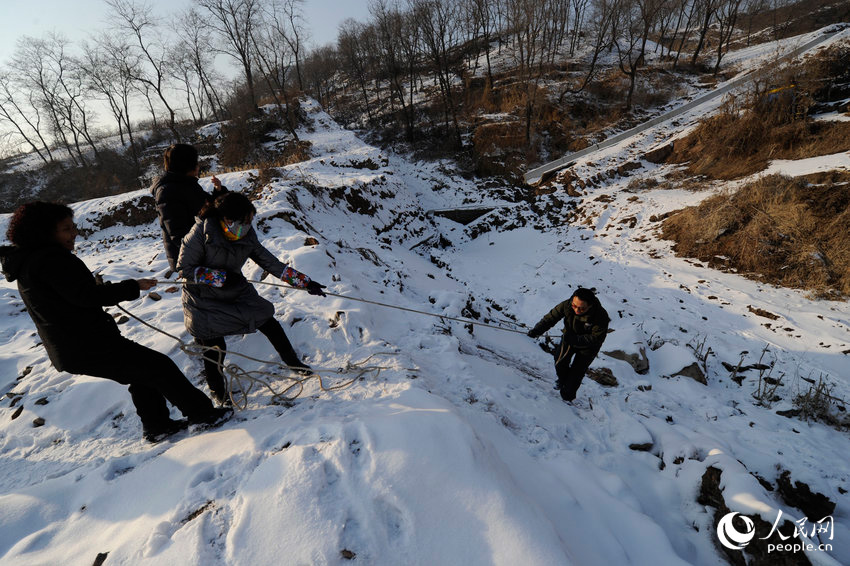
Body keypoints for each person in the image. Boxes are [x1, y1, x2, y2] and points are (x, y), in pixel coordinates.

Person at [0, 202, 231, 442]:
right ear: (45, 233)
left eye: (73, 227)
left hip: (76, 345)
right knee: (159, 367)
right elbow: (85, 296)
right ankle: (203, 415)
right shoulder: (51, 260)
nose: (74, 233)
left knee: (143, 372)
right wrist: (131, 287)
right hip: (87, 344)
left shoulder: (31, 262)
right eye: (66, 229)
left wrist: (111, 288)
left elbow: (71, 294)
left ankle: (157, 426)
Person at [177, 192, 327, 405]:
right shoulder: (200, 233)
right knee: (215, 346)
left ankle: (294, 364)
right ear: (227, 219)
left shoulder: (246, 235)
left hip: (235, 290)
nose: (247, 226)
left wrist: (305, 282)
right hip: (202, 299)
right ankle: (218, 393)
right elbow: (184, 269)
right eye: (244, 221)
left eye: (250, 221)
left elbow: (271, 263)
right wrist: (218, 277)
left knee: (268, 320)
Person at [151, 143, 228, 271]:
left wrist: (219, 191)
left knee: (225, 286)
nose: (198, 166)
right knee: (217, 286)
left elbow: (209, 207)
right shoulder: (167, 192)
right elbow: (178, 233)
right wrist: (204, 252)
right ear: (186, 165)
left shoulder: (187, 184)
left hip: (204, 253)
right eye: (195, 162)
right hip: (191, 262)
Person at [527, 288, 610, 403]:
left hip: (589, 346)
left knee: (577, 372)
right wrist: (537, 331)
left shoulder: (600, 315)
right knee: (559, 361)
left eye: (582, 308)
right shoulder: (566, 305)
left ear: (590, 306)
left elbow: (596, 338)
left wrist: (574, 339)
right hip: (569, 337)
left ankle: (567, 398)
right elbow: (550, 318)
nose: (576, 310)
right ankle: (562, 381)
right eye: (574, 306)